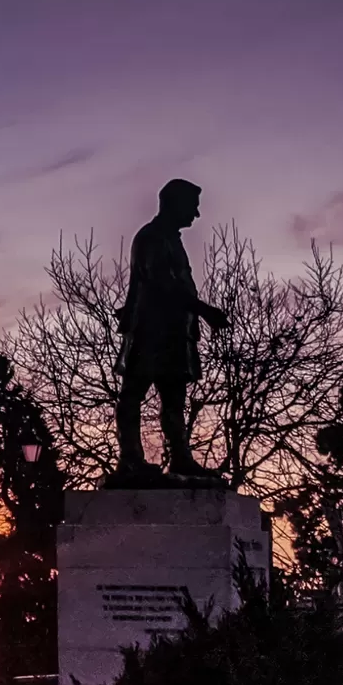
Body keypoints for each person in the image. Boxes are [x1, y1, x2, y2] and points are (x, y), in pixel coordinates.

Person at [112, 179, 228, 482]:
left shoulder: (170, 240)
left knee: (175, 397)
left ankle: (180, 458)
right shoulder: (151, 239)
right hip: (150, 332)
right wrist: (206, 311)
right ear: (174, 204)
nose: (197, 214)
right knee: (134, 392)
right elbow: (165, 286)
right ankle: (130, 459)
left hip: (175, 333)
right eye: (193, 207)